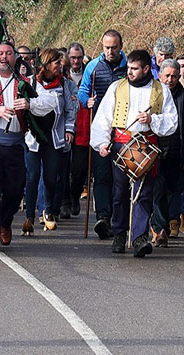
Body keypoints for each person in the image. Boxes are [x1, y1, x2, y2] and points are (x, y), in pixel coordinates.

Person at [90, 49, 177, 258]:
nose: (129, 72)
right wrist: (101, 143)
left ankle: (139, 237)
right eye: (128, 68)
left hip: (147, 146)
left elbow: (172, 122)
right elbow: (103, 118)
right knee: (119, 192)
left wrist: (152, 121)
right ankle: (120, 233)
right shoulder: (116, 88)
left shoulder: (161, 90)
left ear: (146, 69)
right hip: (121, 144)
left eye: (134, 69)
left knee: (144, 193)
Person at [0, 42, 54, 252]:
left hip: (16, 144)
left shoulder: (28, 82)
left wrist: (29, 104)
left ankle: (5, 222)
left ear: (15, 58)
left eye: (8, 53)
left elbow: (50, 102)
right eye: (0, 54)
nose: (3, 57)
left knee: (15, 191)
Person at [77, 29, 128, 240]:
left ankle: (118, 218)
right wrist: (85, 101)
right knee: (101, 174)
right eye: (106, 47)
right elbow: (82, 91)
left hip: (123, 130)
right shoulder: (92, 67)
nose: (109, 51)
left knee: (121, 178)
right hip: (100, 129)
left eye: (114, 47)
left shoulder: (128, 68)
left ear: (120, 47)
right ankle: (103, 217)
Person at [22, 48, 77, 234]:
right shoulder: (30, 83)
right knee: (32, 176)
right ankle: (29, 216)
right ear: (45, 65)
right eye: (57, 63)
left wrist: (69, 130)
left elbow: (70, 110)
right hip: (34, 138)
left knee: (52, 178)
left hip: (54, 138)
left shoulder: (63, 83)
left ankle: (47, 210)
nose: (60, 66)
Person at [151, 59, 184, 246]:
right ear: (160, 76)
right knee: (158, 191)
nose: (171, 80)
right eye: (167, 76)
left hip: (178, 152)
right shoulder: (152, 95)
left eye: (174, 76)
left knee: (175, 190)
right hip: (155, 151)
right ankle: (159, 228)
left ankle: (171, 221)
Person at [63, 42, 88, 218]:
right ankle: (64, 201)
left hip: (84, 128)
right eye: (73, 58)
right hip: (64, 127)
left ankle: (74, 195)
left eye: (79, 58)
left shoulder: (90, 74)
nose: (76, 61)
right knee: (63, 167)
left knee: (79, 169)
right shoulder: (62, 75)